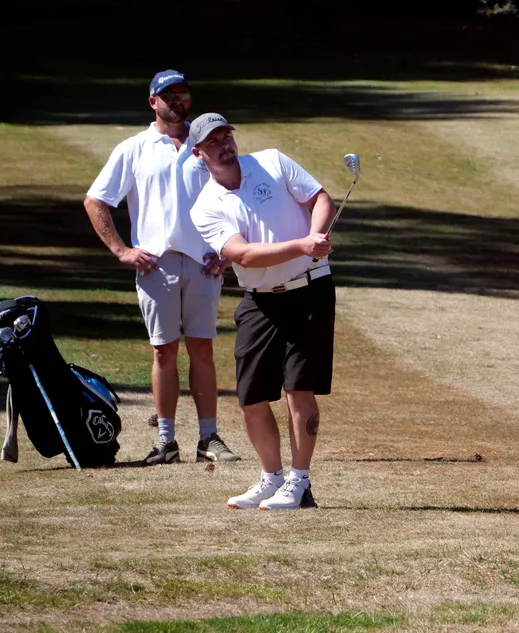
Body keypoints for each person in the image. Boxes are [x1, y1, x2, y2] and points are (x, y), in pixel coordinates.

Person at [83, 71, 241, 465]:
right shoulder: (135, 148)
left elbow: (235, 193)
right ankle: (167, 441)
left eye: (184, 93)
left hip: (205, 264)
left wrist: (229, 252)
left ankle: (209, 438)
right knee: (163, 352)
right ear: (153, 101)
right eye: (169, 95)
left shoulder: (206, 143)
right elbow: (96, 201)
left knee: (202, 349)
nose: (178, 101)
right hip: (156, 265)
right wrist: (122, 250)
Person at [188, 113, 336, 510]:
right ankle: (271, 478)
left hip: (309, 289)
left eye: (227, 135)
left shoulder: (271, 161)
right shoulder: (205, 206)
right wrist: (304, 244)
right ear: (199, 153)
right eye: (214, 141)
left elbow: (319, 198)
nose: (225, 144)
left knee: (297, 388)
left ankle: (299, 482)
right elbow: (244, 255)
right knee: (251, 394)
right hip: (259, 298)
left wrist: (317, 236)